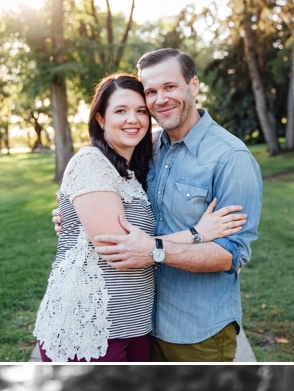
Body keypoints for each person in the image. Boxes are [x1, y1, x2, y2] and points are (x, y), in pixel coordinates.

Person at [34, 72, 247, 362]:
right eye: (120, 111)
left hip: (136, 323)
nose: (132, 120)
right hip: (90, 326)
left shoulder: (132, 169)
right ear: (100, 119)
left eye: (140, 112)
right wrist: (198, 233)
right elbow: (121, 249)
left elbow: (136, 237)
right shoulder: (90, 163)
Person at [89, 49, 264, 361]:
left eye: (170, 87)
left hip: (197, 331)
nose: (160, 99)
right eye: (151, 91)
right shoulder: (148, 147)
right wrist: (77, 215)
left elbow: (232, 254)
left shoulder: (230, 158)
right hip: (141, 325)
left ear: (193, 86)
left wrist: (155, 250)